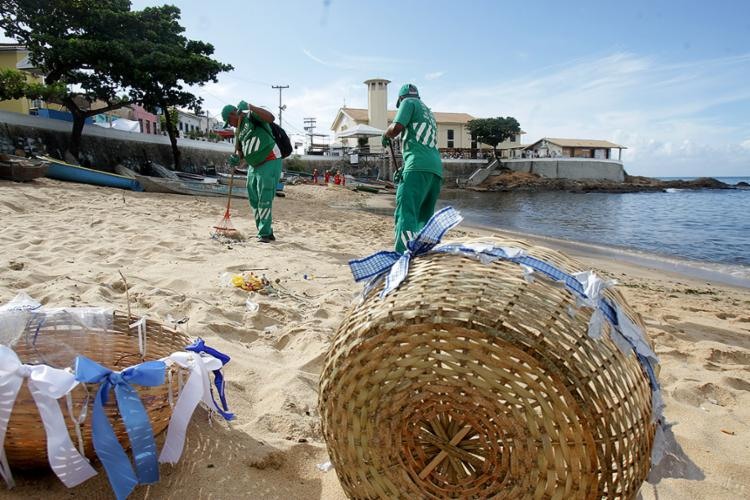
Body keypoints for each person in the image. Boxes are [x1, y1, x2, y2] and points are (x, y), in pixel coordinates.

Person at [381, 84, 443, 253]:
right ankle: (424, 254)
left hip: (417, 166)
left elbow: (396, 128)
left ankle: (403, 255)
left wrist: (386, 134)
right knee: (424, 216)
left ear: (401, 99)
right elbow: (420, 143)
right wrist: (404, 169)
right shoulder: (429, 113)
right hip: (435, 169)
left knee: (406, 212)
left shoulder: (408, 102)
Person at [223, 100, 281, 243]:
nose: (229, 124)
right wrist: (236, 159)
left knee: (264, 198)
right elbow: (242, 152)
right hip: (253, 165)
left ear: (233, 114)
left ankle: (265, 234)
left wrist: (250, 107)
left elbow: (271, 118)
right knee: (254, 199)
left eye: (228, 120)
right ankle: (264, 231)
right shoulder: (238, 131)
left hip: (270, 159)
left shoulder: (251, 116)